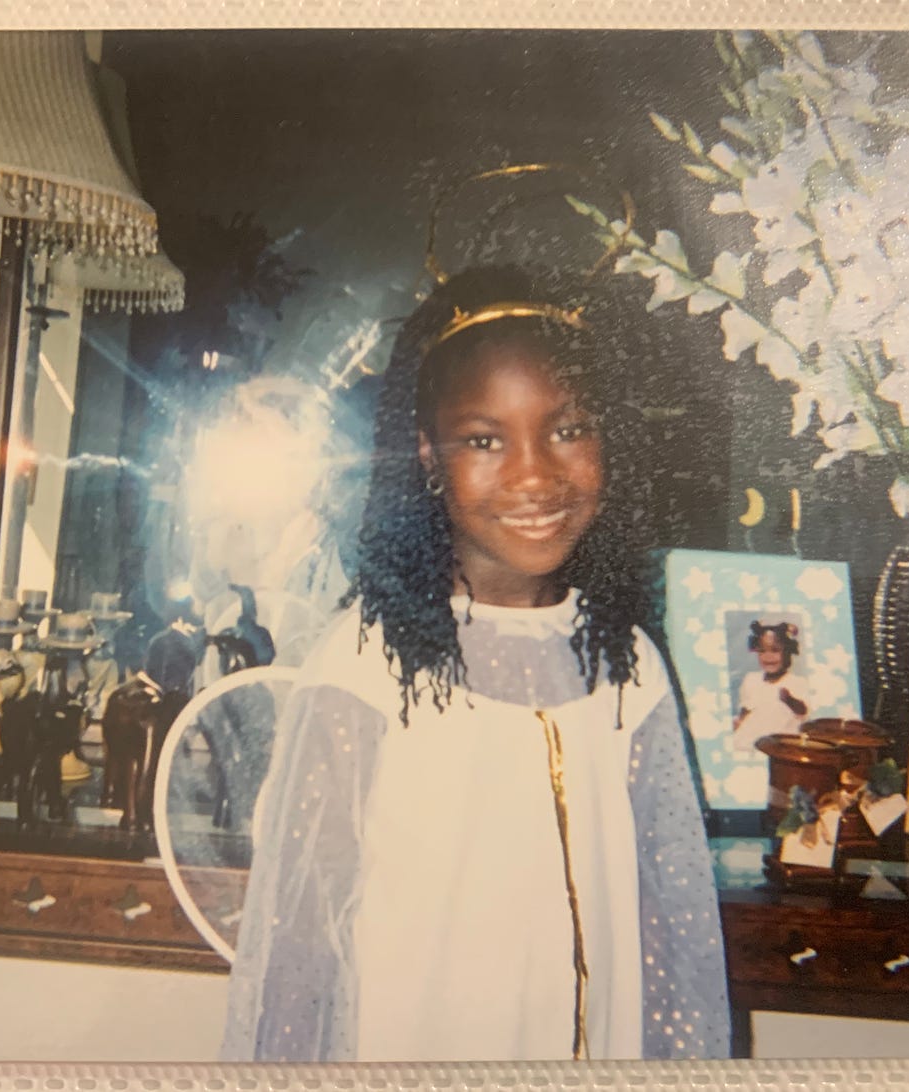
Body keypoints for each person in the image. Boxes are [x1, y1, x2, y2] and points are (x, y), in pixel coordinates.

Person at [220, 265, 729, 1062]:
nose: (534, 474)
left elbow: (669, 924)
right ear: (427, 453)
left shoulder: (628, 665)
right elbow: (302, 955)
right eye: (484, 440)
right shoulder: (363, 667)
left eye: (567, 429)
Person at [732, 620, 809, 752]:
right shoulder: (751, 680)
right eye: (762, 651)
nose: (768, 656)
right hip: (750, 740)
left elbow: (802, 711)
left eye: (775, 650)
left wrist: (789, 699)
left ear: (788, 651)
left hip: (780, 744)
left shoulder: (796, 682)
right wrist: (738, 723)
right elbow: (745, 711)